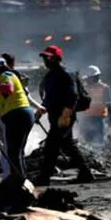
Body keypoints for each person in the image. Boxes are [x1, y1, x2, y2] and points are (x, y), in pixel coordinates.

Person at [0, 57, 36, 214]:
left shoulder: (7, 76)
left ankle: (19, 187)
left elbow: (8, 89)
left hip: (18, 116)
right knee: (16, 153)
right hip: (20, 115)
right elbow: (2, 108)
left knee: (13, 153)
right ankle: (22, 183)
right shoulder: (5, 79)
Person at [36, 46, 94, 186]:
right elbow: (49, 98)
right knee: (67, 144)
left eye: (48, 57)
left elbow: (73, 95)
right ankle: (85, 172)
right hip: (55, 115)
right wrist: (39, 112)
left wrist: (66, 115)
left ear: (56, 58)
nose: (45, 60)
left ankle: (44, 177)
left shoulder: (65, 73)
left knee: (52, 145)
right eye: (44, 57)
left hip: (64, 115)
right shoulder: (51, 75)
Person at [80, 65, 111, 146]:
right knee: (87, 139)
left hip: (99, 117)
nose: (87, 80)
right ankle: (89, 154)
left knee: (98, 139)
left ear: (96, 77)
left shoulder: (104, 88)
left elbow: (109, 102)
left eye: (89, 78)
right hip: (87, 117)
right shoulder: (84, 88)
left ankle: (98, 155)